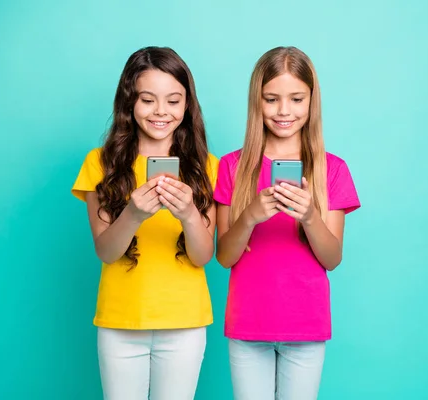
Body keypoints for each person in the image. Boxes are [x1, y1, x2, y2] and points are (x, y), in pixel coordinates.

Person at [213, 46, 361, 400]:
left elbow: (332, 258)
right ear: (256, 101)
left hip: (305, 325)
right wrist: (250, 215)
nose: (284, 111)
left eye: (296, 99)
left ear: (312, 101)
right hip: (248, 324)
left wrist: (310, 216)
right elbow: (224, 256)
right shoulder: (233, 166)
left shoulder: (332, 169)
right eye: (271, 99)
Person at [71, 46, 218, 400]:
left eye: (173, 100)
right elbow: (106, 251)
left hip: (185, 321)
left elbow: (203, 256)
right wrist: (134, 213)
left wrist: (187, 215)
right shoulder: (100, 163)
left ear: (187, 105)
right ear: (129, 103)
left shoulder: (205, 167)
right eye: (147, 100)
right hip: (121, 322)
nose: (161, 112)